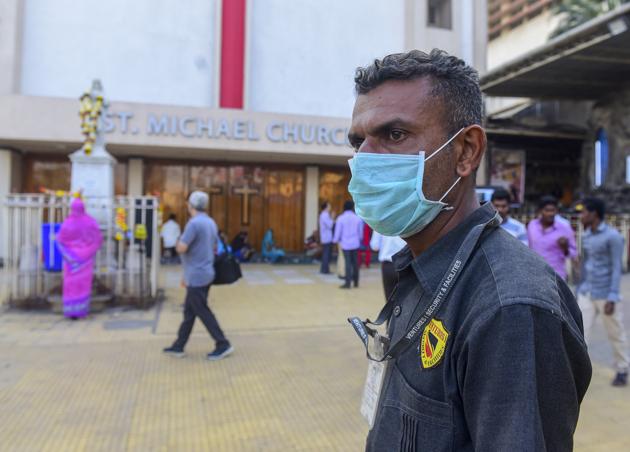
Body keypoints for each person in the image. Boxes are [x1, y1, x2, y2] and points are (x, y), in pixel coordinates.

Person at [346, 49, 590, 451]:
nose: (364, 160)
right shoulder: (422, 265)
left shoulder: (509, 307)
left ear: (466, 152)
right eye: (358, 141)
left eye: (394, 135)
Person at [163, 191, 233, 361]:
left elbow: (182, 248)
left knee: (201, 310)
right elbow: (213, 246)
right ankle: (179, 345)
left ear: (190, 205)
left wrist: (178, 241)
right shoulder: (210, 222)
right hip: (204, 272)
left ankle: (223, 343)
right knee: (190, 311)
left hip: (197, 275)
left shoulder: (193, 224)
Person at [577, 197, 628, 386]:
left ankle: (622, 369)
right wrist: (580, 288)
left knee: (616, 333)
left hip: (606, 294)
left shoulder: (613, 236)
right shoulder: (587, 235)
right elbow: (585, 263)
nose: (580, 216)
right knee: (580, 333)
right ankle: (579, 373)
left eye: (583, 212)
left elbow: (617, 267)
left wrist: (613, 296)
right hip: (587, 292)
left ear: (594, 214)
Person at [56, 197, 103, 319]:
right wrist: (89, 251)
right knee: (83, 285)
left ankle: (70, 310)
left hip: (71, 260)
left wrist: (69, 255)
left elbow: (60, 241)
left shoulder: (67, 223)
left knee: (70, 285)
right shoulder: (90, 222)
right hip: (86, 260)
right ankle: (81, 310)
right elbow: (98, 239)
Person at [527, 195, 577, 280]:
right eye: (547, 210)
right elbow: (528, 248)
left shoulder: (564, 227)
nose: (550, 214)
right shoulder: (532, 225)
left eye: (553, 210)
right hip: (535, 275)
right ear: (540, 211)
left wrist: (565, 248)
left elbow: (574, 253)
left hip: (556, 277)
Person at [333, 200, 363, 289]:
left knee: (348, 263)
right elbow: (360, 233)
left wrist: (335, 241)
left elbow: (337, 233)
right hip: (355, 243)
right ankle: (356, 282)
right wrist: (359, 240)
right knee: (355, 263)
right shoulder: (358, 218)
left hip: (345, 244)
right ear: (352, 207)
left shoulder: (340, 218)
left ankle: (348, 283)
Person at [370, 231, 406, 301]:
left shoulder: (379, 222)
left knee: (390, 300)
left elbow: (375, 246)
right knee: (407, 299)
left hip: (388, 265)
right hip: (405, 263)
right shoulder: (408, 220)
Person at [319, 201, 335, 273]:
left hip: (326, 237)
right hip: (327, 237)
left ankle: (324, 269)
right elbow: (330, 225)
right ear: (325, 207)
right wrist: (332, 217)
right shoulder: (324, 215)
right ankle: (325, 270)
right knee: (326, 254)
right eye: (329, 206)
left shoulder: (324, 215)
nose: (330, 207)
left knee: (326, 254)